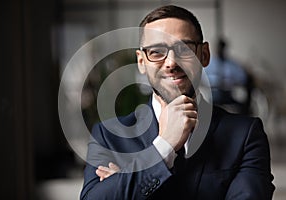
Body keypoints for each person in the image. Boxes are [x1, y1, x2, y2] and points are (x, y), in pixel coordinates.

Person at [80, 5, 275, 199]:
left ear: (204, 55)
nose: (171, 63)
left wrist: (127, 185)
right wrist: (164, 146)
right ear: (141, 62)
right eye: (156, 52)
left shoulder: (245, 135)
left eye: (184, 49)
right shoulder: (108, 137)